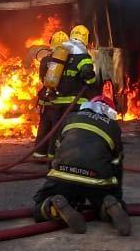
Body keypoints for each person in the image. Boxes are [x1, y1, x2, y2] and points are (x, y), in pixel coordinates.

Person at [32, 90, 130, 235]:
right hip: (95, 179)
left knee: (40, 205)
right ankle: (109, 206)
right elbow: (116, 164)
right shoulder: (113, 127)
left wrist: (52, 179)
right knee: (101, 201)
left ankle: (54, 207)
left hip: (63, 174)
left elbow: (54, 151)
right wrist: (116, 195)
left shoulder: (71, 117)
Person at [32, 24, 98, 160]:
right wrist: (91, 83)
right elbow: (88, 76)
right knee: (72, 129)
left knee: (54, 129)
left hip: (56, 100)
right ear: (85, 38)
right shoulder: (82, 56)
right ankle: (69, 157)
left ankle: (48, 156)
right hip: (74, 102)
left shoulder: (61, 56)